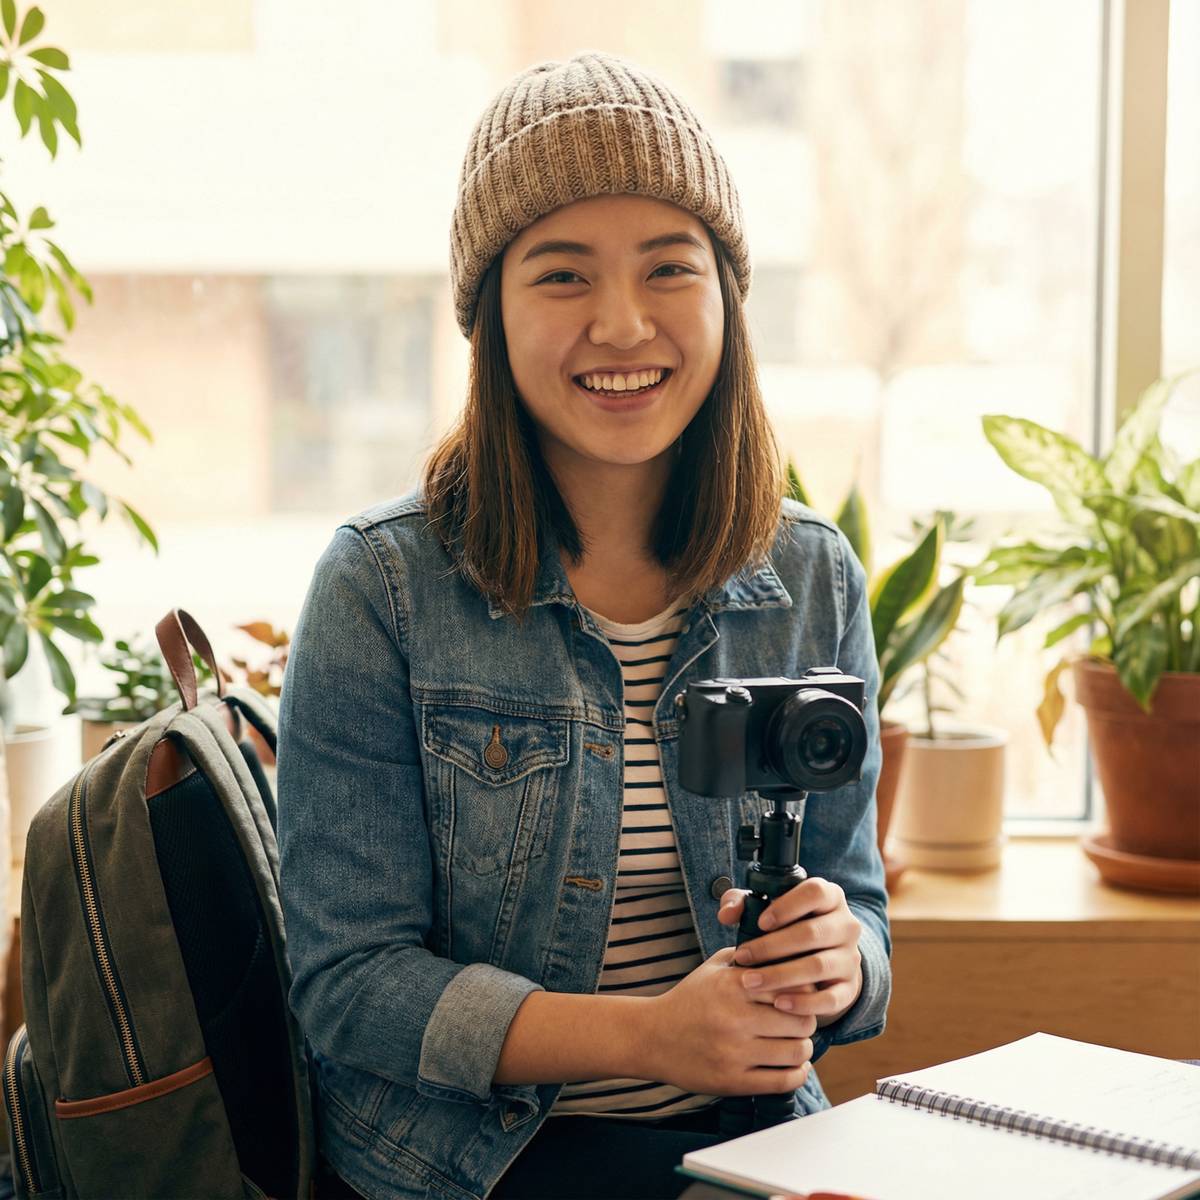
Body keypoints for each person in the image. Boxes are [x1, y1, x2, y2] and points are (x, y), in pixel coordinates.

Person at [277, 49, 891, 1200]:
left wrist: (838, 958)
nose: (623, 324)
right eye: (562, 277)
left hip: (754, 1149)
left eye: (670, 268)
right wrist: (648, 1037)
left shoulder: (812, 576)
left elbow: (862, 911)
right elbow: (349, 982)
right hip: (472, 1165)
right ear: (490, 318)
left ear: (725, 296)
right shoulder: (382, 588)